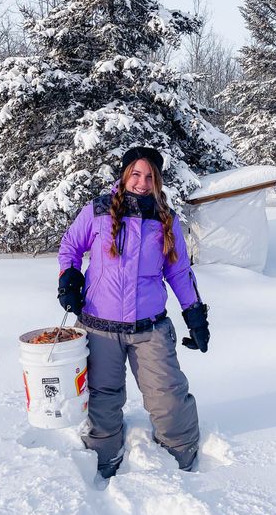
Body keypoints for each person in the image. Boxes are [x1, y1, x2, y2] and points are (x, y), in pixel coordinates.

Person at [57, 146, 210, 479]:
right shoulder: (97, 210)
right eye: (136, 174)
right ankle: (103, 454)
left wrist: (195, 316)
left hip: (150, 328)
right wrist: (68, 277)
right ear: (125, 174)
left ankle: (182, 458)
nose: (142, 182)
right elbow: (71, 247)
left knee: (167, 397)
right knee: (102, 397)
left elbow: (179, 272)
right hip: (99, 327)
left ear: (157, 180)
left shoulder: (164, 219)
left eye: (149, 176)